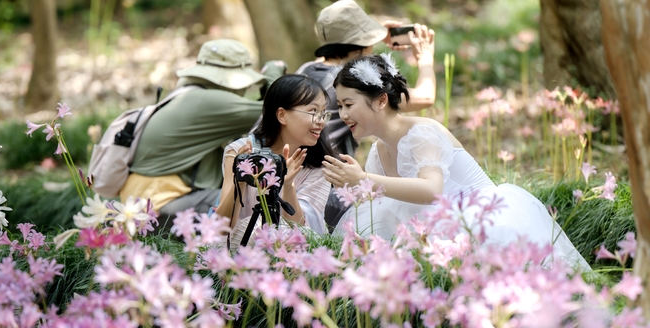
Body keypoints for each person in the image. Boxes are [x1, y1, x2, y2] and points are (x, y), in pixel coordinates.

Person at [321, 54, 589, 269]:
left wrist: (363, 180)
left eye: (348, 104)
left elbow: (431, 190)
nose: (342, 114)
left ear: (380, 101)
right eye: (340, 106)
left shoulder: (421, 133)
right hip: (436, 230)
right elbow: (386, 204)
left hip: (480, 220)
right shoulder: (378, 151)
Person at [295, 0, 436, 228]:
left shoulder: (305, 71)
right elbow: (425, 97)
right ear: (359, 49)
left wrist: (373, 36)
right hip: (321, 193)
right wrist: (426, 59)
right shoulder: (344, 86)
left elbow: (345, 52)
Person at [127, 39, 285, 225]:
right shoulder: (210, 102)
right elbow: (276, 111)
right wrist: (274, 71)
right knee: (251, 196)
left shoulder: (188, 94)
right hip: (157, 209)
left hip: (144, 202)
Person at [215, 74, 335, 249]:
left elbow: (304, 231)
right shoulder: (241, 152)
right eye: (313, 112)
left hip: (294, 259)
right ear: (282, 115)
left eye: (323, 113)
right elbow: (222, 228)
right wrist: (241, 180)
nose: (321, 121)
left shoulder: (320, 164)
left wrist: (288, 186)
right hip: (241, 251)